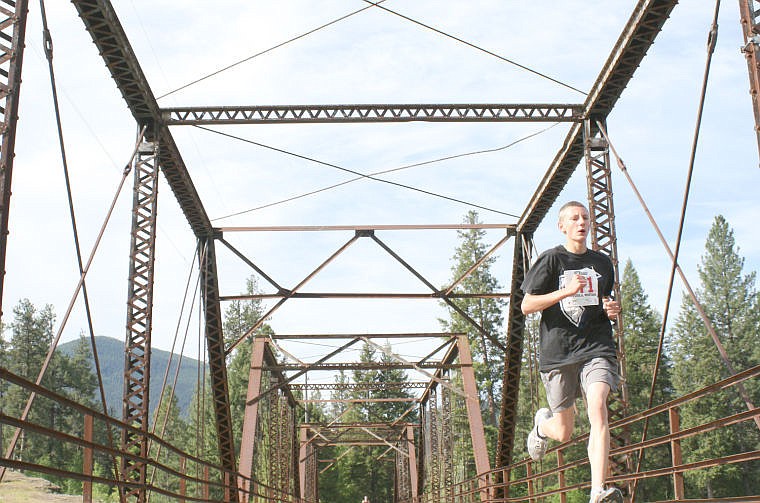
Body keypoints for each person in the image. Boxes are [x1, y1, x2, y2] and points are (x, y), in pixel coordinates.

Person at [520, 200, 623, 503]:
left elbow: (604, 302)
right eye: (574, 218)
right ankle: (542, 427)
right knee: (564, 432)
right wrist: (565, 292)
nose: (582, 222)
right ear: (562, 226)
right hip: (559, 352)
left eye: (585, 218)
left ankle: (597, 491)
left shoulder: (602, 263)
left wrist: (611, 309)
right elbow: (527, 305)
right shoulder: (552, 260)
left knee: (598, 407)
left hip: (596, 346)